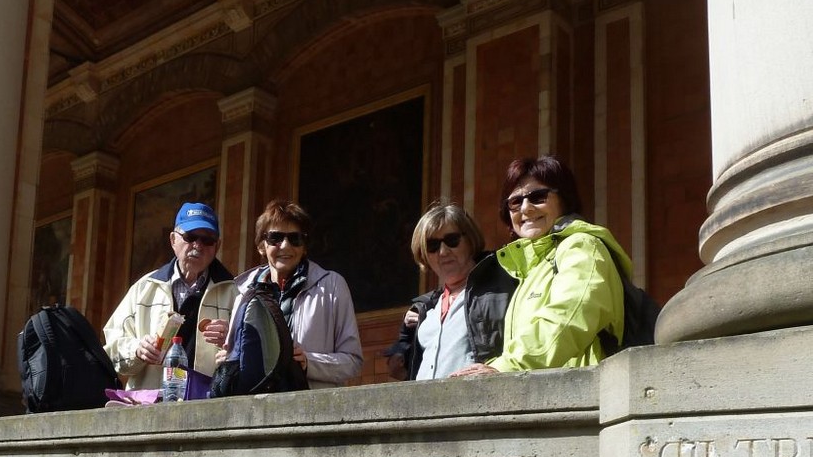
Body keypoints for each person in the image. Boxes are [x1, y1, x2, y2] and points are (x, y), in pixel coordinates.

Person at [453, 155, 627, 376]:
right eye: (515, 202)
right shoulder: (530, 271)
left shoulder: (581, 246)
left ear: (564, 199)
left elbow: (568, 317)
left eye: (538, 197)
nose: (526, 208)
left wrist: (504, 367)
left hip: (582, 390)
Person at [223, 200, 362, 389]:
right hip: (256, 402)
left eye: (295, 238)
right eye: (275, 238)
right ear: (262, 245)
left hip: (310, 402)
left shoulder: (332, 286)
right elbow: (235, 358)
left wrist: (308, 362)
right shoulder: (243, 291)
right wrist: (228, 360)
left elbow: (353, 362)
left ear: (304, 247)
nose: (285, 246)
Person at [102, 202, 237, 390]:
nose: (198, 245)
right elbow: (112, 349)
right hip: (151, 402)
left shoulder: (235, 293)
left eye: (207, 240)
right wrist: (137, 350)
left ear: (217, 246)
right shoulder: (143, 288)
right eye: (190, 237)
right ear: (173, 240)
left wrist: (231, 342)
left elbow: (250, 355)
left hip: (208, 402)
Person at [385, 203, 516, 381]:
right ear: (424, 254)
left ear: (470, 240)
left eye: (452, 240)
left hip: (477, 395)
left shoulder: (501, 286)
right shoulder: (427, 307)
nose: (443, 251)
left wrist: (498, 368)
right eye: (432, 245)